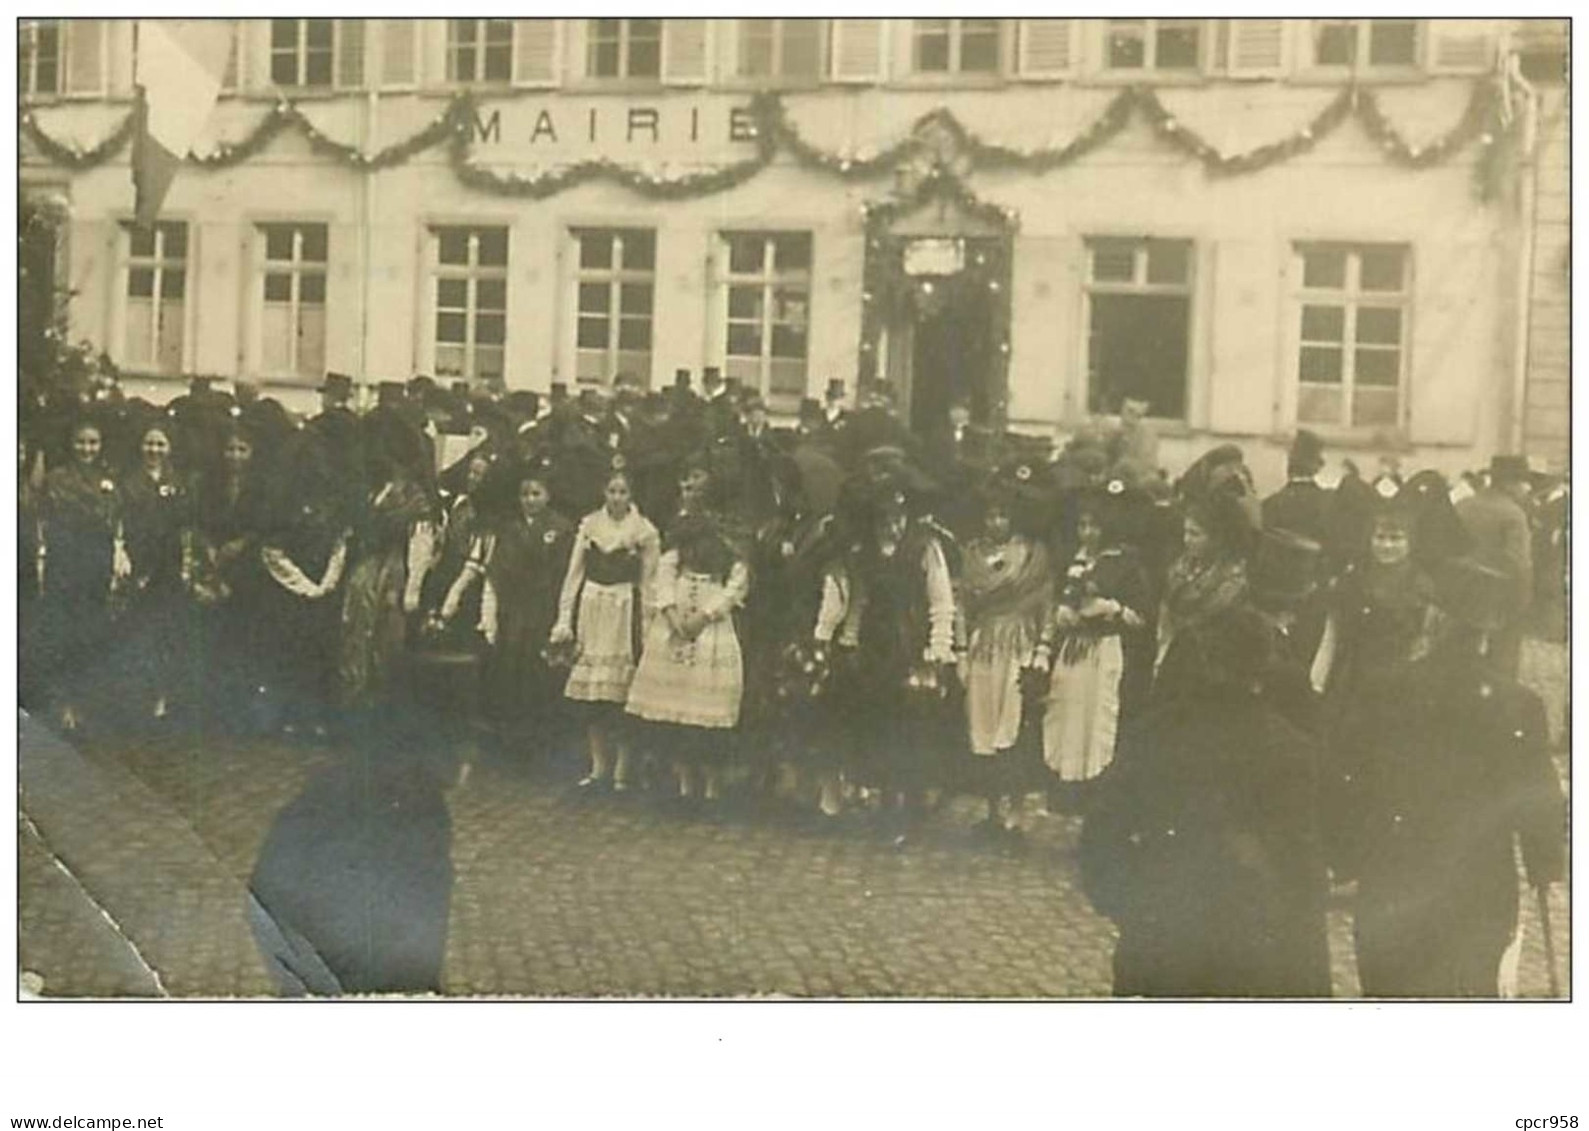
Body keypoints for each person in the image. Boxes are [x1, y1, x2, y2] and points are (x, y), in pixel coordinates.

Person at [1080, 606, 1332, 998]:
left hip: (1162, 940)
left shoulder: (1155, 733)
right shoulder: (1288, 749)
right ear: (1262, 671)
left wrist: (1130, 907)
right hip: (1250, 953)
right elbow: (1301, 867)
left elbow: (1101, 834)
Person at [1341, 558, 1565, 996]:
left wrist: (1345, 852)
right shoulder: (1519, 705)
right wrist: (1544, 863)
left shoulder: (1384, 688)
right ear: (1490, 629)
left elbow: (1350, 776)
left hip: (1394, 880)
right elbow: (1538, 805)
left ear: (1434, 618)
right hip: (1479, 889)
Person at [814, 481, 958, 846]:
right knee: (873, 725)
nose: (891, 523)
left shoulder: (925, 547)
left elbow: (941, 602)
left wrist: (938, 650)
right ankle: (881, 804)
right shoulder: (865, 550)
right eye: (884, 515)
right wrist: (848, 641)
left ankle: (902, 811)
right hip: (873, 646)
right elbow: (859, 598)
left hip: (908, 644)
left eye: (897, 514)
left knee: (906, 730)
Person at [625, 512, 751, 812]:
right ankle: (683, 784)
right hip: (672, 636)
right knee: (674, 712)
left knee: (706, 714)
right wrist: (673, 618)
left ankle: (711, 787)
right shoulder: (673, 559)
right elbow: (662, 588)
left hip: (711, 639)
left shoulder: (732, 563)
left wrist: (703, 616)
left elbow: (732, 593)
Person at [1036, 485, 1149, 811]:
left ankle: (1097, 796)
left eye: (1095, 526)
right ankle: (1068, 793)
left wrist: (1111, 608)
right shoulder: (1075, 560)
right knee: (1067, 716)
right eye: (1083, 526)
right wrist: (1061, 615)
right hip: (1073, 650)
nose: (1087, 533)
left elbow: (1141, 618)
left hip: (1103, 650)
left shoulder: (1126, 564)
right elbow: (1061, 599)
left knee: (1097, 720)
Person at [549, 469, 661, 793]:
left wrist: (647, 624)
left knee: (621, 696)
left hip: (623, 609)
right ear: (603, 492)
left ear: (631, 495)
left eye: (623, 492)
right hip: (592, 607)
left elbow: (649, 582)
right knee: (593, 697)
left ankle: (622, 771)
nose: (616, 497)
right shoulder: (589, 526)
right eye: (611, 490)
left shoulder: (644, 531)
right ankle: (599, 766)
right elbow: (573, 575)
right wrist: (564, 619)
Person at [956, 484, 1052, 839]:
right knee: (982, 725)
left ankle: (1015, 815)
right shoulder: (973, 555)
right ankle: (992, 811)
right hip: (984, 646)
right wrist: (962, 650)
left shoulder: (1031, 556)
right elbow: (963, 606)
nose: (996, 522)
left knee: (1012, 727)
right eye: (991, 515)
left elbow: (1047, 604)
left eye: (1003, 516)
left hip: (1018, 644)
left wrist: (1043, 647)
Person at [465, 461, 576, 764]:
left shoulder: (561, 529)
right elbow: (498, 572)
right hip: (515, 608)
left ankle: (540, 742)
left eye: (536, 493)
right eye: (525, 494)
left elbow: (565, 574)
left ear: (548, 496)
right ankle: (510, 740)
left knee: (539, 673)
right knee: (510, 669)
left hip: (543, 607)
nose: (530, 500)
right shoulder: (510, 529)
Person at [339, 417, 439, 714]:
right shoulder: (375, 489)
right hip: (368, 568)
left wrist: (412, 588)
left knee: (386, 637)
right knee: (358, 632)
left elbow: (421, 544)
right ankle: (357, 700)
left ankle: (380, 707)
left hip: (395, 570)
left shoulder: (414, 496)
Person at [37, 418, 129, 730]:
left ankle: (85, 704)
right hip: (66, 566)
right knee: (65, 633)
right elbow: (65, 512)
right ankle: (63, 706)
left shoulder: (108, 479)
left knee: (92, 633)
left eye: (93, 442)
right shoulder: (58, 478)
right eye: (81, 442)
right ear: (71, 444)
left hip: (96, 566)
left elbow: (115, 516)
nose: (87, 449)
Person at [116, 423, 196, 724]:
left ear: (170, 448)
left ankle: (164, 697)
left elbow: (185, 524)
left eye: (160, 444)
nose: (154, 450)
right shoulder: (128, 482)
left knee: (168, 632)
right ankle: (137, 696)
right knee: (137, 630)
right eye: (149, 443)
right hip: (139, 565)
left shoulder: (180, 483)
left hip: (169, 568)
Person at [1153, 491, 1253, 700]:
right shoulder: (1183, 564)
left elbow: (1207, 618)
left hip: (1205, 664)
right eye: (1185, 532)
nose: (1186, 540)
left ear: (1218, 537)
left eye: (1195, 534)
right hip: (1171, 650)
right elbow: (1166, 604)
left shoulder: (1232, 578)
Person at [1455, 455, 1534, 680]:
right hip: (1500, 600)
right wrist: (1522, 602)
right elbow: (1519, 566)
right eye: (1522, 482)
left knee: (1459, 657)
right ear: (1509, 484)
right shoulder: (1513, 514)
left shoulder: (1463, 505)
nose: (1526, 488)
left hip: (1458, 595)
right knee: (1502, 664)